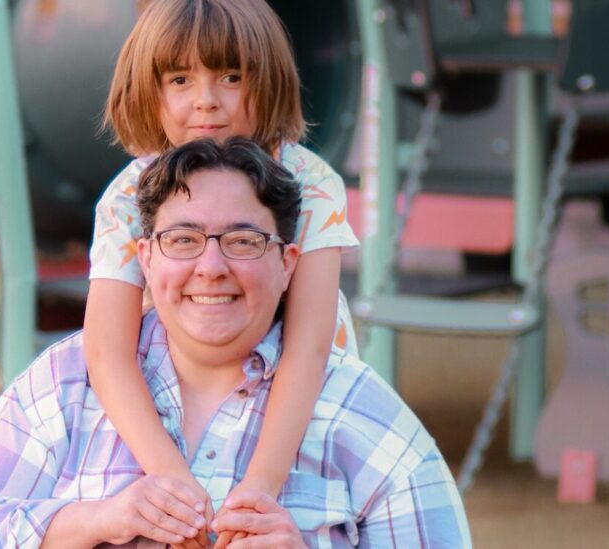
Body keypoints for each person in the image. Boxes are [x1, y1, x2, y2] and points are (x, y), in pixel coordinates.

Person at [0, 138, 471, 548]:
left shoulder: (362, 416)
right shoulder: (66, 385)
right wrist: (95, 520)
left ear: (287, 266)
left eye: (242, 241)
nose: (210, 268)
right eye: (183, 240)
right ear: (145, 259)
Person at [85, 2, 360, 541]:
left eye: (231, 77)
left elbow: (308, 348)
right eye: (181, 78)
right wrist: (172, 481)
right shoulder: (127, 196)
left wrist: (259, 487)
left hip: (292, 407)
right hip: (173, 405)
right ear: (151, 89)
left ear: (268, 81)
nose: (206, 100)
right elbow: (106, 351)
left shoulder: (312, 183)